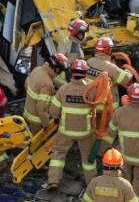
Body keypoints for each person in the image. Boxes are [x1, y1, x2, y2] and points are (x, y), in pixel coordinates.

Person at [45, 59, 98, 190]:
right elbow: (96, 111)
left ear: (72, 72)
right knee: (87, 158)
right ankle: (90, 182)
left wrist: (57, 118)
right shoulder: (91, 91)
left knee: (58, 154)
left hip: (65, 131)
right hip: (85, 132)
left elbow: (53, 111)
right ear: (86, 73)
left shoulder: (63, 89)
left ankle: (53, 181)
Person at [103, 83, 139, 198]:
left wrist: (103, 153)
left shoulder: (119, 112)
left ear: (128, 96)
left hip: (126, 156)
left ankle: (126, 197)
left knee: (128, 179)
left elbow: (110, 133)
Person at [24, 53, 68, 134]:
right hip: (37, 120)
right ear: (56, 69)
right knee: (38, 144)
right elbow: (42, 108)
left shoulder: (37, 69)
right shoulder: (47, 83)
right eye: (60, 71)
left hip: (27, 112)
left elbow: (27, 84)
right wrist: (46, 124)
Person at [86, 37, 133, 110]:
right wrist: (128, 69)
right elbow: (125, 79)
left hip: (91, 104)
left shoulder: (89, 61)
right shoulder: (110, 67)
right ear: (109, 51)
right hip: (107, 107)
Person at [54, 18, 90, 87]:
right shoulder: (74, 52)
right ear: (79, 35)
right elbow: (71, 71)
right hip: (63, 81)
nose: (85, 35)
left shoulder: (66, 39)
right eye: (84, 33)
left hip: (57, 76)